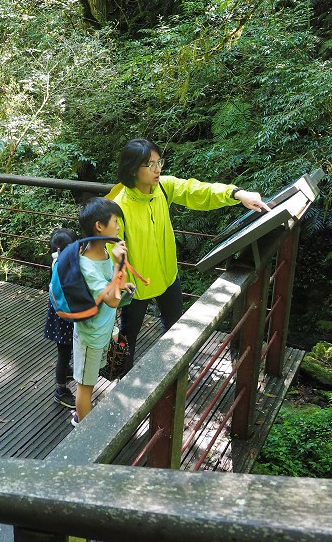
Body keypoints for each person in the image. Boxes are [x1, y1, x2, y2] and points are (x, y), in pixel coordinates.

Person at [109, 138, 269, 373]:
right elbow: (112, 252)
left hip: (168, 277)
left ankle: (171, 378)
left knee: (175, 332)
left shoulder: (163, 187)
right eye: (150, 165)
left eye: (159, 162)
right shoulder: (118, 206)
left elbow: (198, 190)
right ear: (133, 169)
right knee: (127, 338)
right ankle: (121, 385)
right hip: (136, 287)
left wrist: (237, 194)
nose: (158, 169)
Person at [71, 198, 129, 426]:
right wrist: (118, 264)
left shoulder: (104, 252)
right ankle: (83, 433)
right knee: (85, 387)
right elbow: (112, 301)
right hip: (90, 336)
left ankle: (81, 415)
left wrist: (122, 284)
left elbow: (109, 289)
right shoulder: (87, 264)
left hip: (103, 330)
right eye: (115, 221)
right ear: (99, 226)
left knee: (91, 381)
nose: (117, 226)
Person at [44, 228, 78, 409]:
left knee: (64, 351)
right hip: (65, 316)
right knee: (63, 354)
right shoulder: (67, 266)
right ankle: (60, 390)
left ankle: (65, 371)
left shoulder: (56, 261)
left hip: (58, 314)